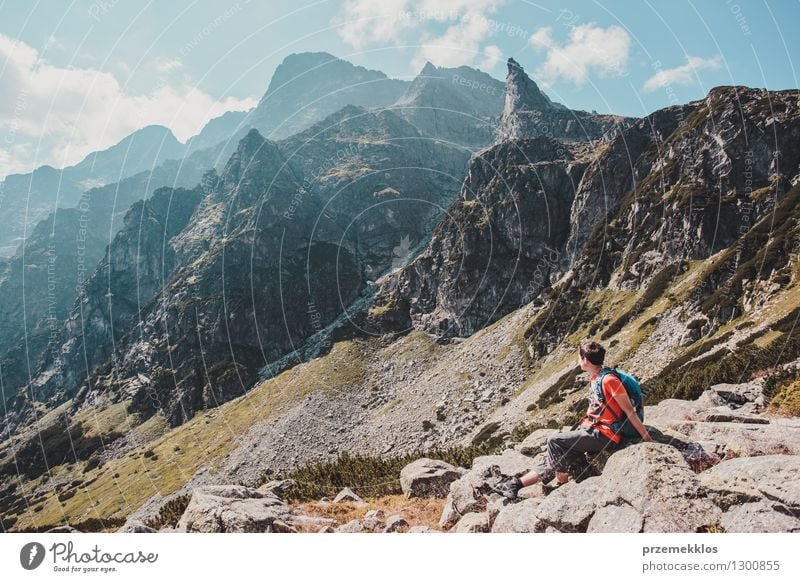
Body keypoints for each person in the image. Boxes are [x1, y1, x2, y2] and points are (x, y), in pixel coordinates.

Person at [491, 340, 652, 500]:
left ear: (585, 360)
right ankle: (515, 484)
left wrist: (647, 439)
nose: (578, 361)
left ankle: (561, 486)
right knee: (553, 454)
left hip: (604, 434)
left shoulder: (610, 380)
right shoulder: (595, 376)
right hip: (590, 429)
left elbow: (629, 412)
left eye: (579, 357)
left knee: (554, 442)